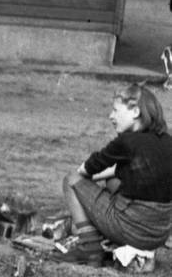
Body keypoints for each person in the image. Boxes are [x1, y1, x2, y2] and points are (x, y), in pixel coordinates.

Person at [56, 83, 172, 265]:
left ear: (135, 112)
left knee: (70, 180)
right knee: (112, 180)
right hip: (159, 233)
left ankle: (89, 246)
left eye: (116, 110)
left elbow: (86, 169)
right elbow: (121, 170)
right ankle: (104, 236)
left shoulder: (127, 142)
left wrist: (84, 183)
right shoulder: (167, 141)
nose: (111, 116)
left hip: (131, 229)